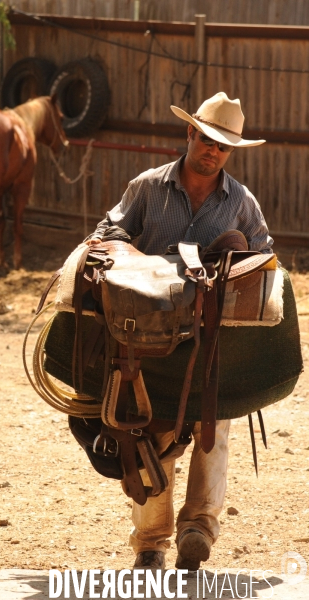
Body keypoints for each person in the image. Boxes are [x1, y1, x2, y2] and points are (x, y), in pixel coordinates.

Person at [85, 92, 273, 570]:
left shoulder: (241, 203)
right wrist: (126, 256)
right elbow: (108, 234)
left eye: (223, 147)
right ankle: (150, 542)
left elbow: (263, 258)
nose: (213, 151)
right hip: (147, 336)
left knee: (214, 432)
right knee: (149, 433)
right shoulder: (147, 188)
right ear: (190, 134)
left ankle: (198, 531)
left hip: (213, 340)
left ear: (230, 154)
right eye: (207, 139)